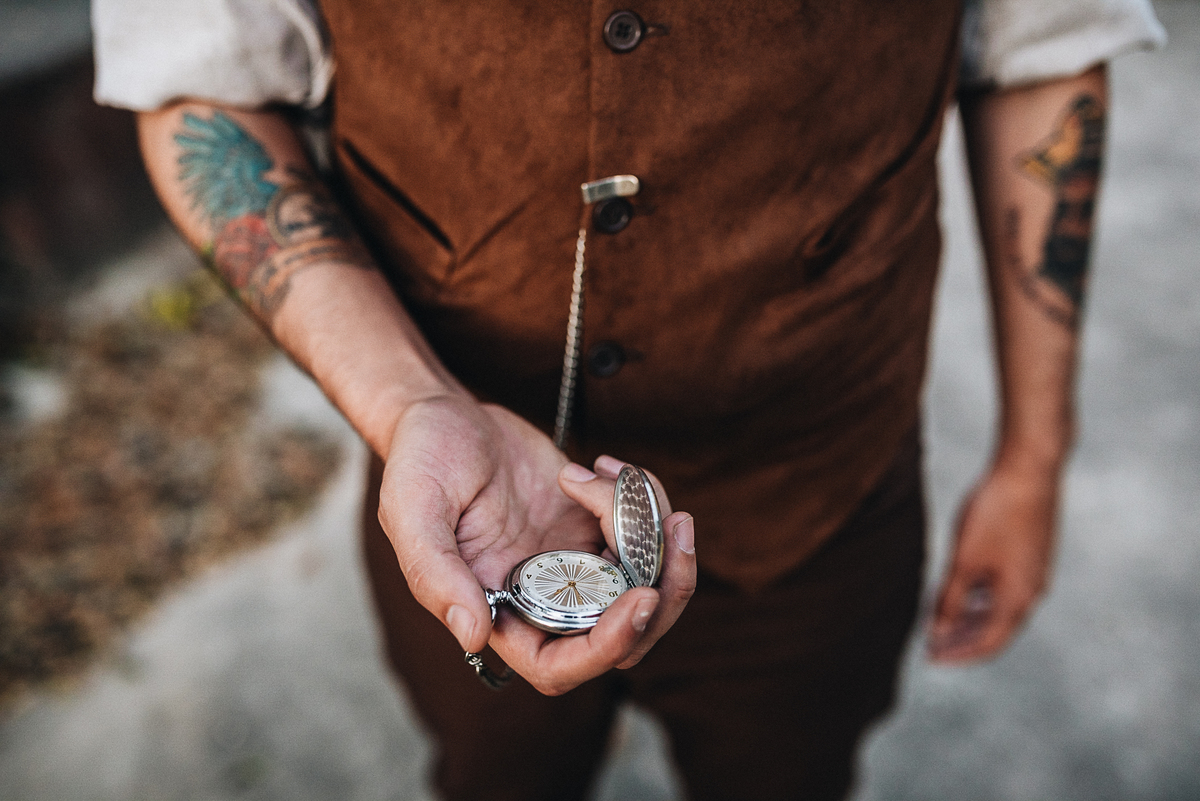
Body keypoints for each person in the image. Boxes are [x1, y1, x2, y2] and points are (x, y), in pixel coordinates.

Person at [94, 1, 1164, 798]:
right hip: (463, 506)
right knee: (497, 774)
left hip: (822, 488)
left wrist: (1035, 453)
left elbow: (1045, 56)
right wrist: (412, 404)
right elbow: (205, 87)